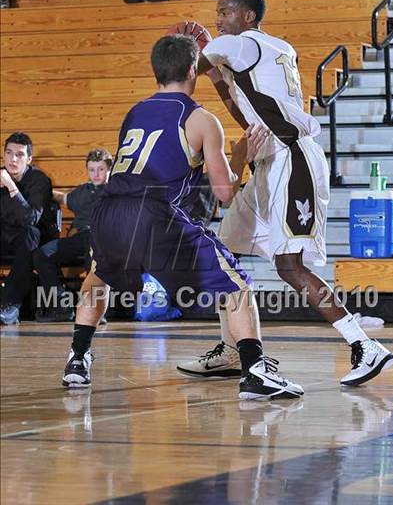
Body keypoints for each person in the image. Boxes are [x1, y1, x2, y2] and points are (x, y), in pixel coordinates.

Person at [61, 33, 304, 401]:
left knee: (99, 276)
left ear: (155, 71)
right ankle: (255, 372)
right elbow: (223, 194)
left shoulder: (135, 112)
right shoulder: (201, 119)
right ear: (194, 69)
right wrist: (241, 155)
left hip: (109, 210)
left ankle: (77, 361)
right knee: (236, 285)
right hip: (155, 213)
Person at [176, 0, 393, 387]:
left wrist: (189, 47)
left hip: (293, 160)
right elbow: (241, 105)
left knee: (289, 266)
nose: (218, 19)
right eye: (217, 13)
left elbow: (183, 70)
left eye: (225, 12)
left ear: (247, 17)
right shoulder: (266, 51)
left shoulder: (241, 43)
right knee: (223, 249)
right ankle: (231, 349)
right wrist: (215, 71)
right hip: (269, 156)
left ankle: (364, 345)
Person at [33, 148, 112, 323]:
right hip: (80, 236)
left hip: (103, 237)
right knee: (42, 254)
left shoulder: (116, 191)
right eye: (91, 170)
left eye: (100, 169)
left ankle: (95, 310)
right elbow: (62, 198)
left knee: (94, 256)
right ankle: (61, 305)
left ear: (109, 169)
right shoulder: (83, 191)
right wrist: (38, 188)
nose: (96, 174)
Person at [0, 132, 57, 325]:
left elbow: (30, 219)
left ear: (29, 159)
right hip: (5, 234)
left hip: (33, 238)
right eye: (8, 153)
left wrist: (10, 187)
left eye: (19, 154)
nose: (13, 159)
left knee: (29, 234)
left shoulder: (39, 180)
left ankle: (10, 304)